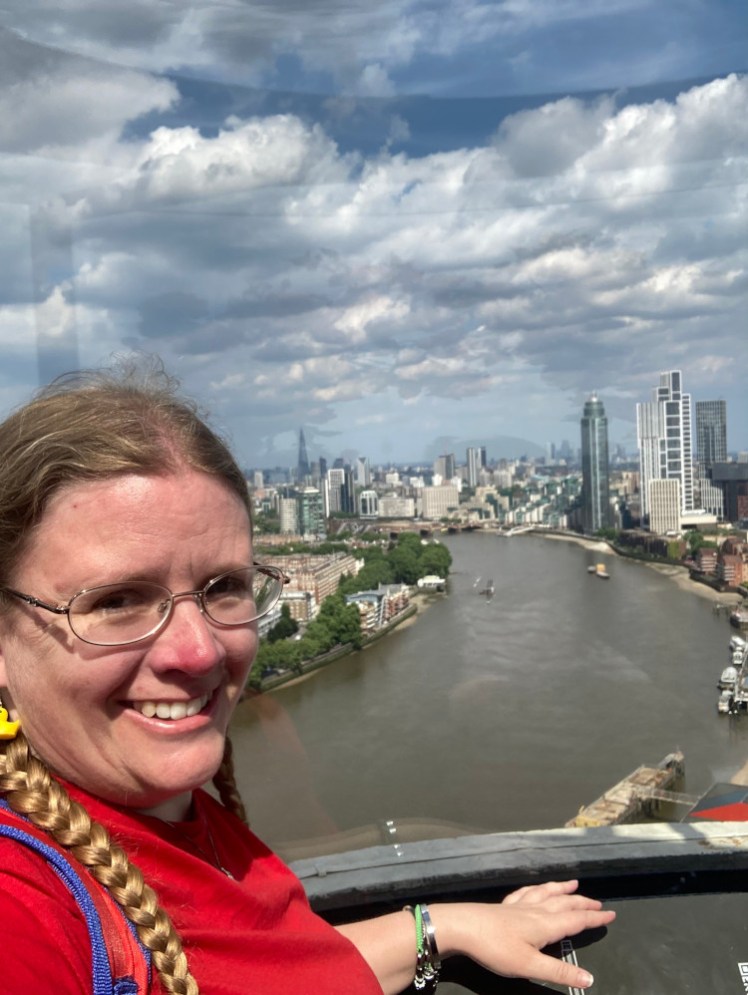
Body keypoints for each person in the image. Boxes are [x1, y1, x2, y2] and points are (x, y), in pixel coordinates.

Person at [0, 359, 614, 994]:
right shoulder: (23, 906)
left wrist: (440, 927)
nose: (200, 651)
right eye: (117, 600)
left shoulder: (180, 821)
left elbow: (273, 968)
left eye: (225, 587)